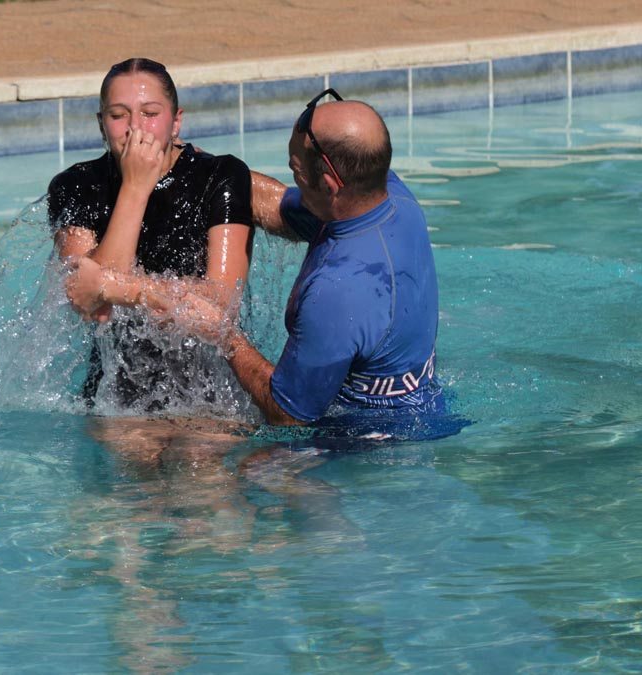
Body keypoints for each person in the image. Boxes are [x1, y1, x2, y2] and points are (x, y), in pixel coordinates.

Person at [172, 89, 443, 428]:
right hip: (420, 405)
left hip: (366, 440)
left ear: (329, 186)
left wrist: (224, 333)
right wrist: (199, 167)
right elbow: (278, 206)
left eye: (296, 172)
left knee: (194, 443)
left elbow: (288, 415)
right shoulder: (387, 192)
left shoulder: (339, 289)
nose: (295, 181)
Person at [47, 58, 254, 412]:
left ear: (176, 122)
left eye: (150, 113)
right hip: (115, 393)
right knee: (130, 444)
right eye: (118, 115)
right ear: (101, 124)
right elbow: (90, 304)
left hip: (206, 386)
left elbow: (221, 305)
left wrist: (126, 289)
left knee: (209, 445)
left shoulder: (220, 176)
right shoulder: (76, 186)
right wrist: (135, 187)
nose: (135, 128)